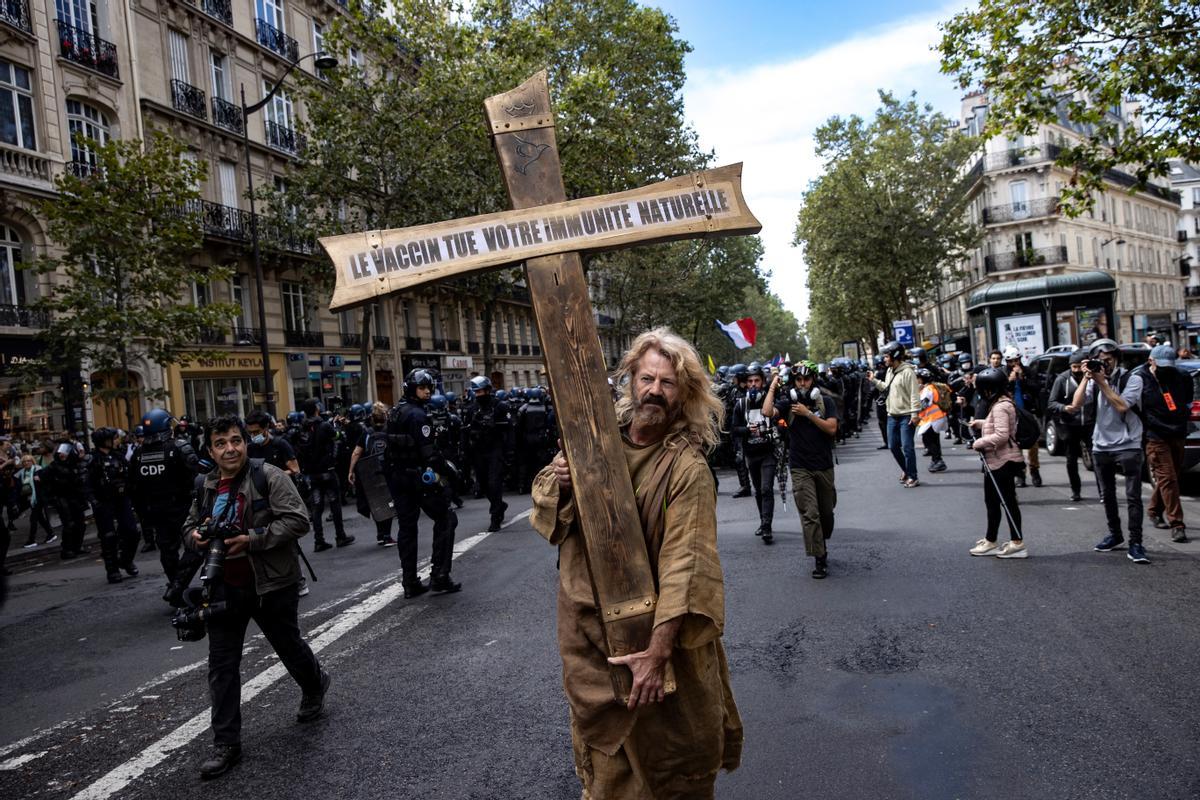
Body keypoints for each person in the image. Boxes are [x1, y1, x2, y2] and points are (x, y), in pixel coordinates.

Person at [531, 327, 742, 798]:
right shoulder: (593, 441)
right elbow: (545, 500)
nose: (654, 391)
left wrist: (657, 653)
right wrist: (563, 479)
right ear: (630, 378)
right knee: (606, 769)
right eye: (647, 378)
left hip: (655, 645)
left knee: (672, 760)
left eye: (667, 383)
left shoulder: (687, 469)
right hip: (589, 637)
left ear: (683, 392)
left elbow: (686, 568)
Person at [183, 416, 330, 780]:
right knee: (222, 666)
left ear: (246, 443)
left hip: (271, 583)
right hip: (223, 586)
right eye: (220, 443)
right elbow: (188, 526)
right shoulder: (205, 485)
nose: (229, 448)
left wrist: (252, 539)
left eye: (235, 440)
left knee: (287, 645)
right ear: (210, 450)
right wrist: (196, 538)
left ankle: (314, 684)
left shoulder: (269, 476)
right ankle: (226, 744)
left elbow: (299, 520)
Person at [1066, 338, 1150, 563]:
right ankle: (1115, 535)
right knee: (1107, 496)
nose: (1106, 364)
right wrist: (1086, 378)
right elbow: (1076, 405)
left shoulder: (1132, 378)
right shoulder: (1094, 379)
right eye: (1100, 361)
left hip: (1129, 444)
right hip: (1101, 444)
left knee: (1133, 497)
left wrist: (1101, 381)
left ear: (1116, 358)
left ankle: (1136, 542)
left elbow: (1122, 405)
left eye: (1109, 360)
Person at [385, 370, 461, 597]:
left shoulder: (395, 412)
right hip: (419, 478)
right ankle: (439, 575)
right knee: (447, 519)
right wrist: (450, 471)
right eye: (422, 387)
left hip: (398, 477)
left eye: (429, 387)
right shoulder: (418, 416)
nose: (427, 391)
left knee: (407, 529)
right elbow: (429, 454)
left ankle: (409, 582)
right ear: (412, 389)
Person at [763, 362, 839, 578]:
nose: (803, 383)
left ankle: (822, 541)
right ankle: (819, 557)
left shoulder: (825, 401)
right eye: (798, 380)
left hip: (823, 465)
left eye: (806, 379)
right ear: (794, 382)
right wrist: (772, 387)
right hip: (799, 467)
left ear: (813, 380)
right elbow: (767, 411)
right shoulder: (789, 403)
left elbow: (832, 429)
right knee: (810, 514)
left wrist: (809, 414)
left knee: (826, 513)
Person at [129, 408, 201, 601]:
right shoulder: (179, 447)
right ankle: (179, 584)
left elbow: (133, 487)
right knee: (195, 545)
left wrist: (143, 511)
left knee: (167, 550)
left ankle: (175, 585)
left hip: (155, 510)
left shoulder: (138, 454)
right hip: (182, 507)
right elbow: (195, 475)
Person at [967, 368, 1027, 558]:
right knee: (992, 502)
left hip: (1003, 461)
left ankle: (1017, 543)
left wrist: (979, 442)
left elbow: (1002, 435)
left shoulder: (1001, 406)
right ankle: (991, 540)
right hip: (996, 462)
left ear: (988, 389)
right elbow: (1001, 426)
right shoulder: (1002, 403)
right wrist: (982, 423)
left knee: (1007, 503)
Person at [1142, 344, 1193, 543]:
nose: (1165, 369)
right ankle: (1177, 524)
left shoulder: (1182, 376)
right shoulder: (1141, 378)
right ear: (1151, 361)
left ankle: (1154, 510)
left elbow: (1187, 401)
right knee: (1169, 478)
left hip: (1177, 432)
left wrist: (1182, 417)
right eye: (1161, 365)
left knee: (1171, 477)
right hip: (1155, 436)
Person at [293, 399, 355, 552]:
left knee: (317, 505)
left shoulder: (301, 429)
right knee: (334, 503)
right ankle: (340, 536)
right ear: (316, 409)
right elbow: (338, 437)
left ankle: (318, 540)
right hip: (326, 470)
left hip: (311, 473)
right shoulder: (324, 425)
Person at [732, 363, 780, 542]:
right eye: (750, 381)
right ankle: (763, 521)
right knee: (758, 490)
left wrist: (777, 428)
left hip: (768, 452)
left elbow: (782, 421)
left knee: (767, 489)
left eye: (757, 381)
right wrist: (747, 429)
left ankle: (767, 526)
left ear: (762, 382)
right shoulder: (741, 404)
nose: (753, 384)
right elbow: (734, 429)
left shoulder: (769, 400)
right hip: (751, 454)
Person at [86, 428, 141, 584]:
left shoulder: (119, 456)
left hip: (121, 499)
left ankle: (126, 560)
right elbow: (86, 482)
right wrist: (93, 500)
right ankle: (112, 570)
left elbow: (130, 476)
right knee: (108, 536)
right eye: (113, 438)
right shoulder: (93, 460)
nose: (117, 441)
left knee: (132, 531)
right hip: (103, 501)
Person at [463, 376, 512, 532]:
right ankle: (500, 505)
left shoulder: (500, 407)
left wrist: (509, 452)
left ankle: (495, 517)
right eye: (475, 392)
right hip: (478, 450)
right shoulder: (471, 409)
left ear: (488, 390)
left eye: (480, 391)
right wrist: (464, 451)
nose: (478, 394)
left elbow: (509, 430)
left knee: (494, 483)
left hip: (494, 449)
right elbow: (464, 432)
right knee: (483, 486)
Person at [872, 341, 921, 487]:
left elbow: (914, 394)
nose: (884, 359)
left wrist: (915, 414)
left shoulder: (908, 372)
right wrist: (874, 381)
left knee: (907, 447)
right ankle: (906, 469)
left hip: (906, 415)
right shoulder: (889, 371)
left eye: (887, 356)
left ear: (895, 355)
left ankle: (913, 476)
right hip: (892, 415)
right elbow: (887, 388)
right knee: (893, 446)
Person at [347, 401, 397, 546]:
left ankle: (380, 534)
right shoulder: (389, 430)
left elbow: (356, 453)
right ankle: (387, 535)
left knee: (376, 503)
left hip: (370, 471)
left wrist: (351, 471)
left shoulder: (367, 432)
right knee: (388, 502)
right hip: (387, 470)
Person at [1046, 351, 1089, 501]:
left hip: (1089, 424)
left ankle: (1104, 492)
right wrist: (1064, 408)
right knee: (1071, 459)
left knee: (1097, 459)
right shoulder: (1062, 379)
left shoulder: (1092, 377)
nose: (1077, 370)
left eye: (1080, 366)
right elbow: (1051, 403)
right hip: (1069, 424)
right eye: (1074, 367)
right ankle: (1075, 491)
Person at [17, 455, 56, 548]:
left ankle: (31, 540)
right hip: (30, 499)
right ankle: (51, 534)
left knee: (33, 519)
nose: (26, 463)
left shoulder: (38, 470)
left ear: (32, 461)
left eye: (28, 461)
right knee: (40, 518)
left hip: (39, 498)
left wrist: (40, 479)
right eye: (24, 462)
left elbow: (46, 482)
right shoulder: (21, 473)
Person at [915, 368, 949, 473]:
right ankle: (936, 460)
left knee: (927, 439)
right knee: (934, 439)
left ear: (921, 380)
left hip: (933, 418)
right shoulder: (931, 387)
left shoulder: (927, 390)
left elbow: (923, 405)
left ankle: (938, 461)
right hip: (937, 417)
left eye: (917, 378)